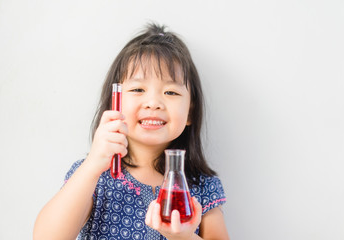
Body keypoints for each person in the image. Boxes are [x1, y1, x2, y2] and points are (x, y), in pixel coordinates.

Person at [34, 23, 229, 240]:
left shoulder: (201, 185)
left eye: (171, 92)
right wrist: (92, 166)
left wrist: (184, 237)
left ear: (191, 112)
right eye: (138, 89)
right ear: (114, 104)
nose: (153, 103)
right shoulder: (94, 176)